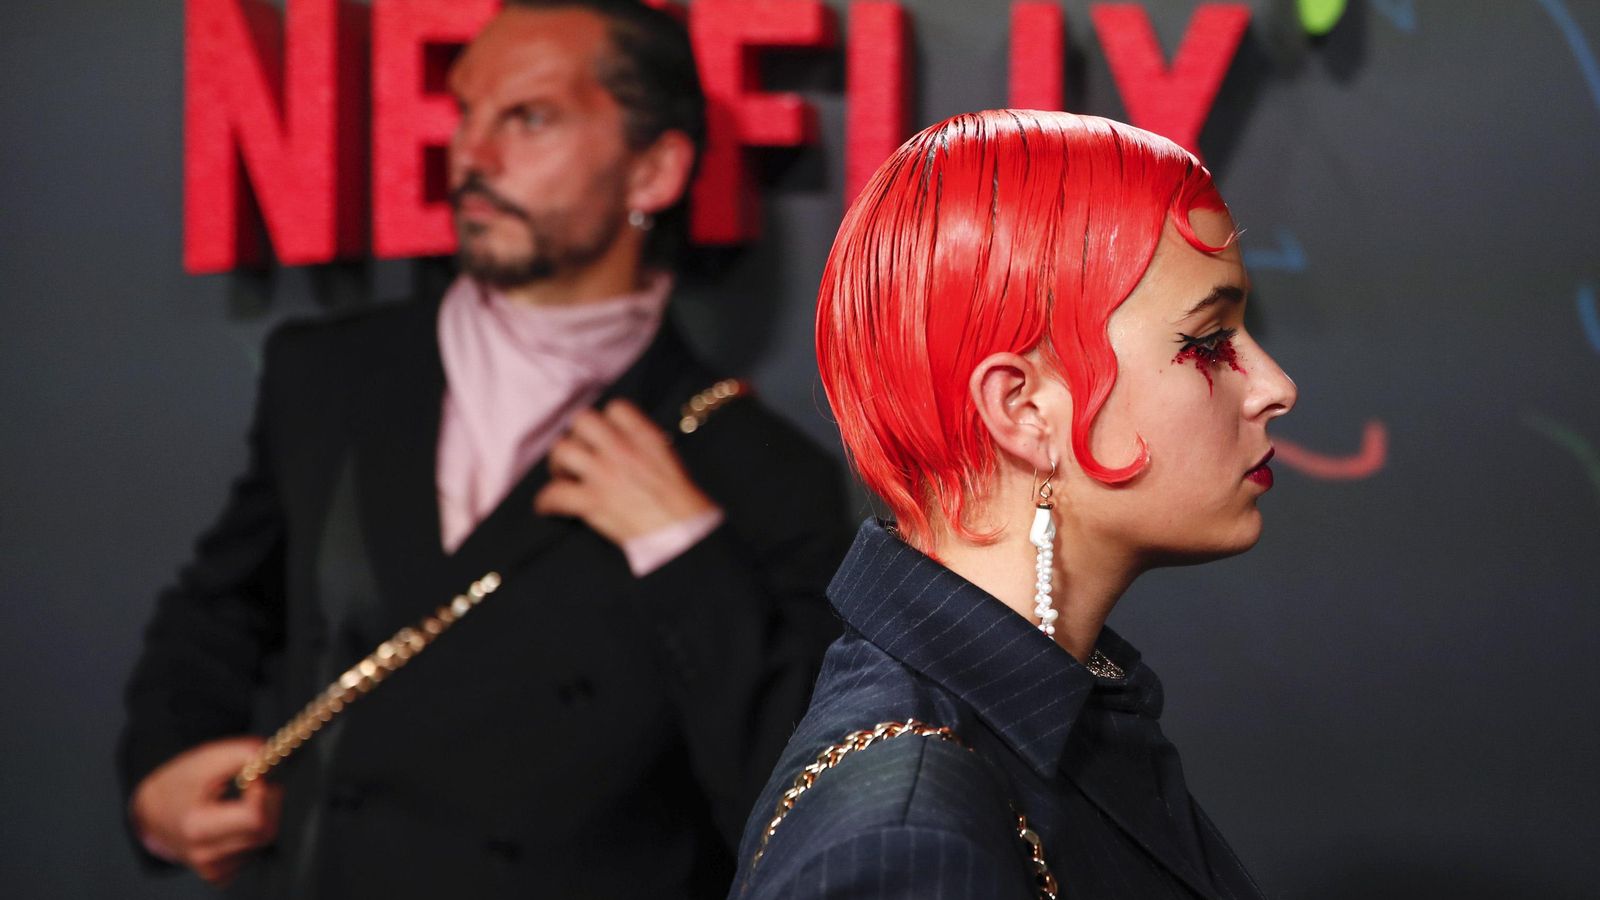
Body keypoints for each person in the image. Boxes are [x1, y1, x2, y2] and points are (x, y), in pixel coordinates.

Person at [119, 2, 847, 897]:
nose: (471, 157)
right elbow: (220, 609)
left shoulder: (756, 469)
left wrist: (682, 549)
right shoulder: (333, 376)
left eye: (529, 118)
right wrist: (162, 772)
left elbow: (804, 803)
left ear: (653, 171)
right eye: (467, 113)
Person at [730, 109, 1297, 899]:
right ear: (1023, 408)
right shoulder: (905, 842)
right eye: (1208, 342)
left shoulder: (1052, 723)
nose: (1275, 387)